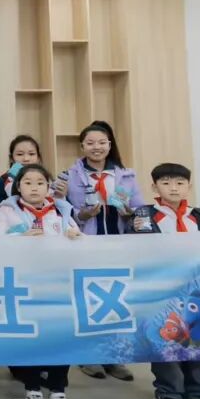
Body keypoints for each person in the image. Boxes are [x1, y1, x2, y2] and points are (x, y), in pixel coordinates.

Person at [0, 164, 81, 399]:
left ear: (49, 187)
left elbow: (80, 241)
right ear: (18, 187)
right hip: (23, 283)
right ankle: (32, 386)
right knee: (30, 335)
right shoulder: (6, 212)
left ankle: (58, 386)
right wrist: (20, 239)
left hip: (58, 283)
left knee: (60, 334)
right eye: (28, 183)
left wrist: (75, 237)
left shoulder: (61, 211)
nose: (34, 188)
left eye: (40, 183)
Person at [133, 163, 200, 399]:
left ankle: (198, 394)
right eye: (166, 183)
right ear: (154, 187)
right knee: (165, 340)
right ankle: (169, 393)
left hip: (197, 289)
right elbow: (139, 248)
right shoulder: (144, 215)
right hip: (162, 289)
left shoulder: (199, 216)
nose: (173, 188)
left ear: (188, 186)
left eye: (180, 183)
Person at [65, 121, 143, 382]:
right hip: (85, 244)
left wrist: (130, 214)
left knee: (116, 299)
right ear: (82, 146)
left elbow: (141, 210)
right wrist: (83, 214)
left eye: (101, 142)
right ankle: (88, 356)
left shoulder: (126, 176)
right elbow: (64, 212)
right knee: (88, 299)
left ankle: (114, 357)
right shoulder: (70, 176)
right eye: (90, 143)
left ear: (110, 145)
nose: (96, 147)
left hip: (118, 244)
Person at [0, 135, 55, 223]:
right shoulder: (5, 179)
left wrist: (61, 195)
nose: (26, 159)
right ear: (12, 158)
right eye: (20, 154)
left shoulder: (47, 178)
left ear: (38, 157)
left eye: (31, 154)